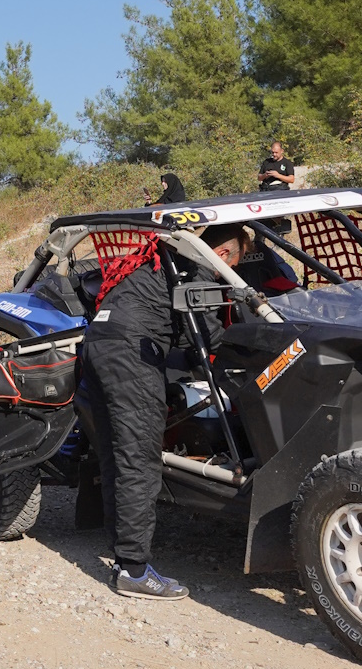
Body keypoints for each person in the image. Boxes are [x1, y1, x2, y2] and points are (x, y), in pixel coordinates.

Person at [80, 218, 258, 599]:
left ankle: (124, 556)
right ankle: (133, 571)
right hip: (132, 350)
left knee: (116, 454)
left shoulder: (165, 257)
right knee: (140, 458)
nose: (229, 272)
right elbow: (207, 338)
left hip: (99, 342)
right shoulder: (198, 270)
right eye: (233, 265)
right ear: (223, 255)